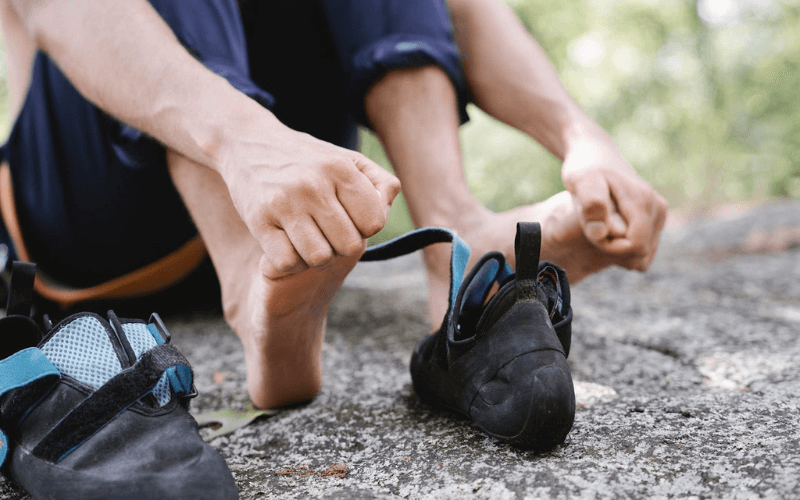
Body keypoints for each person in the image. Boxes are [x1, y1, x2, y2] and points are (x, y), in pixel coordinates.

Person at [0, 0, 667, 410]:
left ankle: (455, 238)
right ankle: (248, 279)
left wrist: (583, 139)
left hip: (292, 191)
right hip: (100, 211)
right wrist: (244, 141)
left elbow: (458, 5)